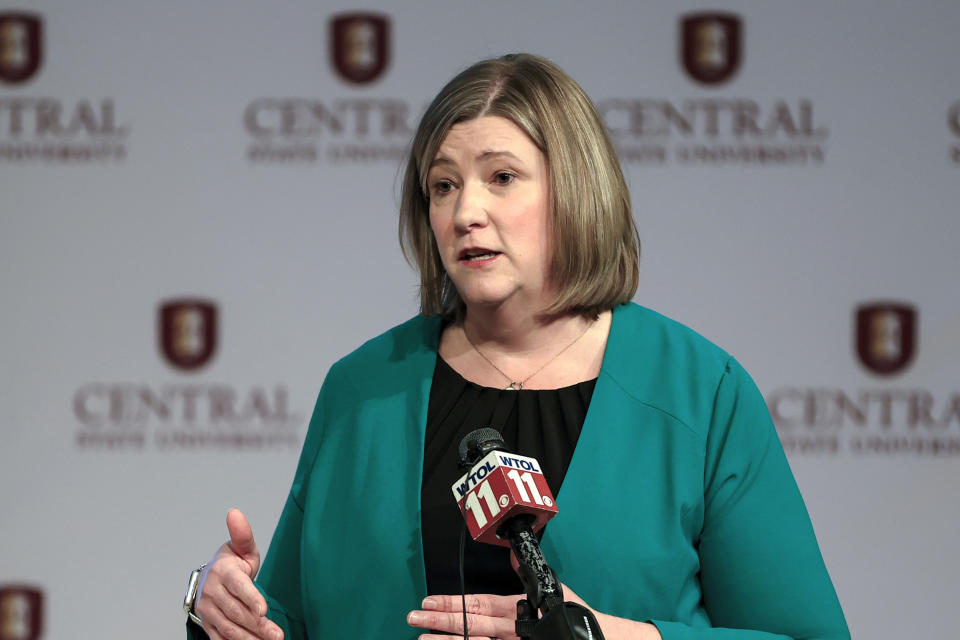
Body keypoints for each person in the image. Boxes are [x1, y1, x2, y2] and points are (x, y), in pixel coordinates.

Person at [183, 53, 849, 640]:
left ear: (575, 191)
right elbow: (287, 624)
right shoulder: (362, 389)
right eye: (443, 185)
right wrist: (223, 611)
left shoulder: (701, 392)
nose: (465, 211)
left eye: (501, 177)